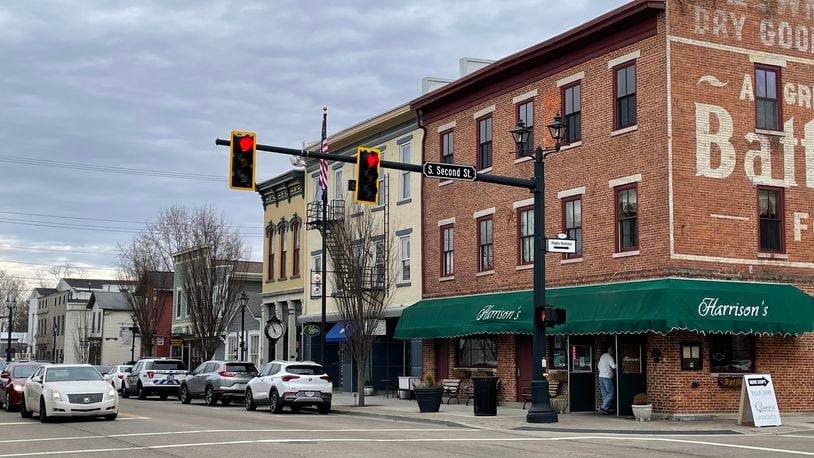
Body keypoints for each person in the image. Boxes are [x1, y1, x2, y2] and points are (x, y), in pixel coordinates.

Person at [598, 345, 616, 415]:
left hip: (601, 376)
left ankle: (605, 409)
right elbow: (613, 366)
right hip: (607, 377)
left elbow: (598, 366)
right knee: (611, 393)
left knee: (604, 394)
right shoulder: (609, 357)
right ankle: (603, 407)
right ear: (612, 352)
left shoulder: (602, 356)